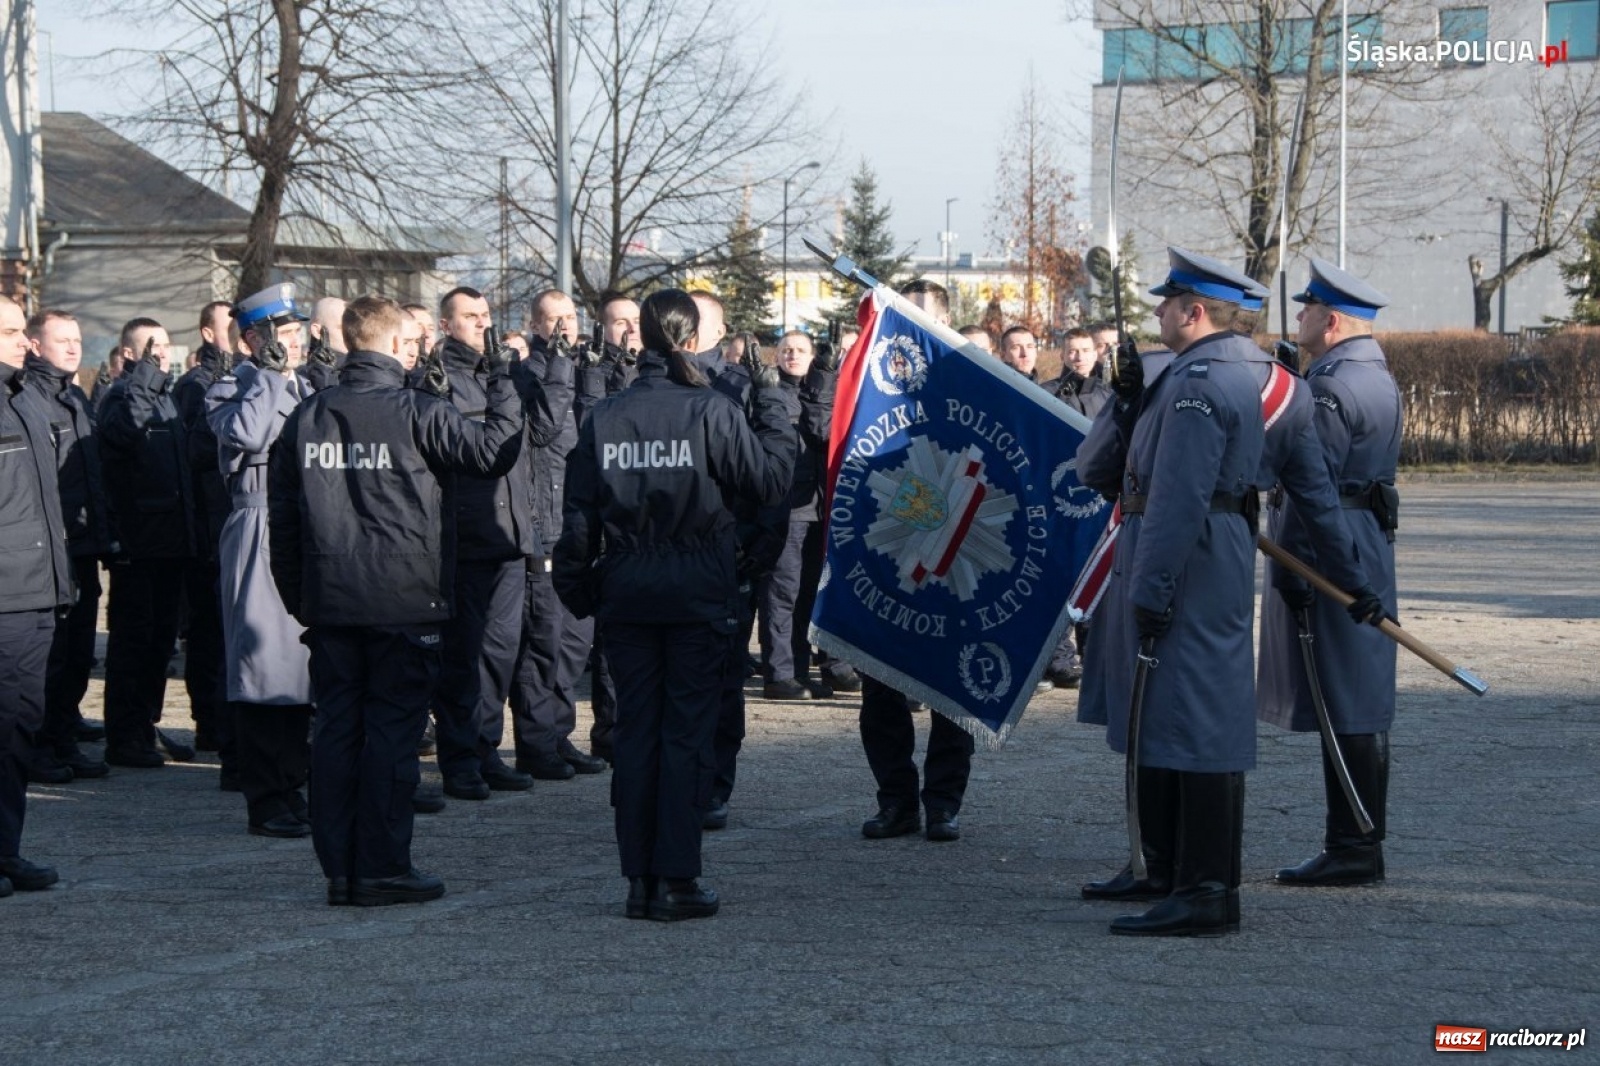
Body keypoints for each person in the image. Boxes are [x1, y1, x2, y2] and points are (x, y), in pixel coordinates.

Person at [268, 295, 522, 906]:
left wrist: (301, 597)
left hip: (332, 601)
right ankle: (381, 867)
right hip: (404, 602)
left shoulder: (308, 414)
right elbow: (495, 452)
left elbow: (283, 521)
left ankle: (341, 869)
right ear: (388, 344)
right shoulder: (417, 410)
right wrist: (502, 381)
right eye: (409, 342)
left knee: (337, 731)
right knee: (390, 734)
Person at [552, 288, 796, 921]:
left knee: (636, 734)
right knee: (685, 736)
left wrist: (580, 588)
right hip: (697, 592)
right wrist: (772, 400)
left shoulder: (606, 415)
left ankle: (640, 879)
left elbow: (578, 516)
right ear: (690, 341)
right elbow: (771, 481)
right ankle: (677, 879)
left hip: (629, 591)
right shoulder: (712, 410)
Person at [1259, 258, 1400, 887]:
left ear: (1333, 320)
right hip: (1365, 536)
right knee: (1360, 690)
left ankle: (1352, 845)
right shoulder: (1374, 375)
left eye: (1308, 308)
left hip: (1330, 545)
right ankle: (1358, 840)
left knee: (1343, 696)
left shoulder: (1330, 389)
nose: (1300, 317)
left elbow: (1308, 486)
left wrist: (1293, 566)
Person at [857, 279, 975, 843]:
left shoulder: (976, 377)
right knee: (880, 680)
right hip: (887, 546)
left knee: (951, 685)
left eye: (919, 314)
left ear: (943, 320)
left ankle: (943, 803)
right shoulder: (875, 378)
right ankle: (895, 800)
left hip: (956, 551)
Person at [206, 284, 318, 837]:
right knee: (261, 663)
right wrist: (270, 378)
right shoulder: (230, 388)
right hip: (258, 524)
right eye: (284, 334)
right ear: (253, 339)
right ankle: (265, 797)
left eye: (297, 332)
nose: (295, 343)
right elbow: (248, 435)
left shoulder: (308, 386)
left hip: (303, 527)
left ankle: (293, 784)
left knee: (299, 667)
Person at [425, 286, 539, 799]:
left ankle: (486, 747)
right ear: (445, 325)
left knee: (499, 653)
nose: (480, 323)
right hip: (466, 537)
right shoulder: (438, 379)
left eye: (485, 314)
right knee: (463, 655)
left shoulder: (500, 374)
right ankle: (460, 758)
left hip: (508, 534)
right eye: (469, 316)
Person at [685, 290, 788, 830]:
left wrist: (762, 543)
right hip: (672, 559)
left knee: (723, 682)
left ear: (720, 331)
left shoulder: (742, 388)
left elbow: (773, 474)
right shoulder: (650, 385)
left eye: (698, 320)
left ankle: (712, 787)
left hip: (729, 555)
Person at [507, 289, 609, 781]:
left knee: (574, 641)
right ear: (536, 325)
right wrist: (562, 366)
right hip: (545, 524)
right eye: (555, 319)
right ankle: (536, 743)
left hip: (579, 523)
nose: (566, 326)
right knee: (542, 642)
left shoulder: (580, 368)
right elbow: (544, 429)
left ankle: (560, 733)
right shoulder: (525, 373)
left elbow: (594, 428)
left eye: (571, 316)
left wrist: (591, 375)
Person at [18, 310, 114, 783]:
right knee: (52, 656)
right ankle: (40, 747)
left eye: (77, 339)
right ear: (36, 346)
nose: (74, 347)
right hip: (51, 549)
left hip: (83, 545)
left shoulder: (74, 396)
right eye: (63, 340)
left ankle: (63, 737)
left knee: (78, 652)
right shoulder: (29, 398)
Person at [96, 317, 196, 767]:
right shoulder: (122, 396)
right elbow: (124, 435)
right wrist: (144, 380)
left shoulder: (164, 398)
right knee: (133, 643)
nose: (162, 354)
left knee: (159, 644)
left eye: (166, 346)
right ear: (129, 354)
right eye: (153, 347)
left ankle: (145, 726)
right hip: (138, 544)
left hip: (170, 543)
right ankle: (124, 736)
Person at [0, 295, 71, 895]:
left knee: (21, 726)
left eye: (24, 331)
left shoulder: (24, 398)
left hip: (38, 591)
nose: (24, 342)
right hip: (4, 595)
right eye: (9, 332)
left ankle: (7, 850)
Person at [758, 331, 839, 699]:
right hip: (787, 510)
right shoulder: (768, 391)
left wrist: (823, 379)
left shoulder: (819, 391)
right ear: (776, 356)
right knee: (781, 593)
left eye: (801, 350)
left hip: (817, 509)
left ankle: (799, 673)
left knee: (807, 594)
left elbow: (822, 432)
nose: (792, 355)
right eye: (786, 349)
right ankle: (779, 674)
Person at [174, 301, 234, 766]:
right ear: (208, 334)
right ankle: (210, 722)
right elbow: (192, 463)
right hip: (207, 528)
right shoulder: (196, 386)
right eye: (227, 326)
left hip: (227, 521)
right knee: (209, 632)